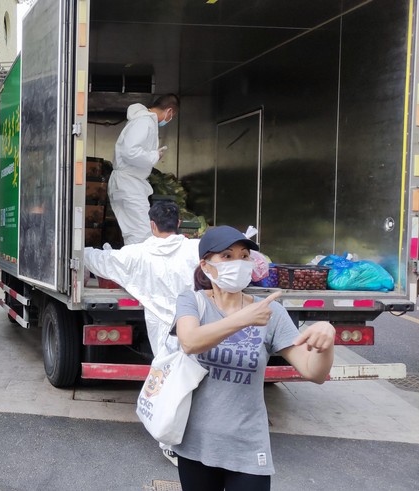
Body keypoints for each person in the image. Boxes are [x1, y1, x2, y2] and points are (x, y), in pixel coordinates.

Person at [171, 226, 335, 490]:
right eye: (227, 256)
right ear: (206, 265)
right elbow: (190, 341)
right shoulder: (192, 301)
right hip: (196, 444)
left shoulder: (270, 313)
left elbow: (312, 372)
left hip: (248, 447)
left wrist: (326, 342)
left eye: (244, 256)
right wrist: (243, 319)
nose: (238, 263)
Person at [83, 200, 197, 466]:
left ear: (151, 225)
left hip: (162, 330)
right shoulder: (196, 248)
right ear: (179, 224)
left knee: (169, 383)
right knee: (195, 382)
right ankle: (195, 437)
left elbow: (102, 260)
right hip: (194, 323)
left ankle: (170, 443)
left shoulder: (136, 254)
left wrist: (83, 249)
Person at [109, 93, 180, 245]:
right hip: (129, 184)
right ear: (169, 111)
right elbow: (130, 152)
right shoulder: (144, 122)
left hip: (128, 183)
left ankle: (132, 266)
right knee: (141, 234)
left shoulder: (144, 121)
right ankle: (135, 267)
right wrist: (154, 156)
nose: (170, 119)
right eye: (172, 115)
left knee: (135, 233)